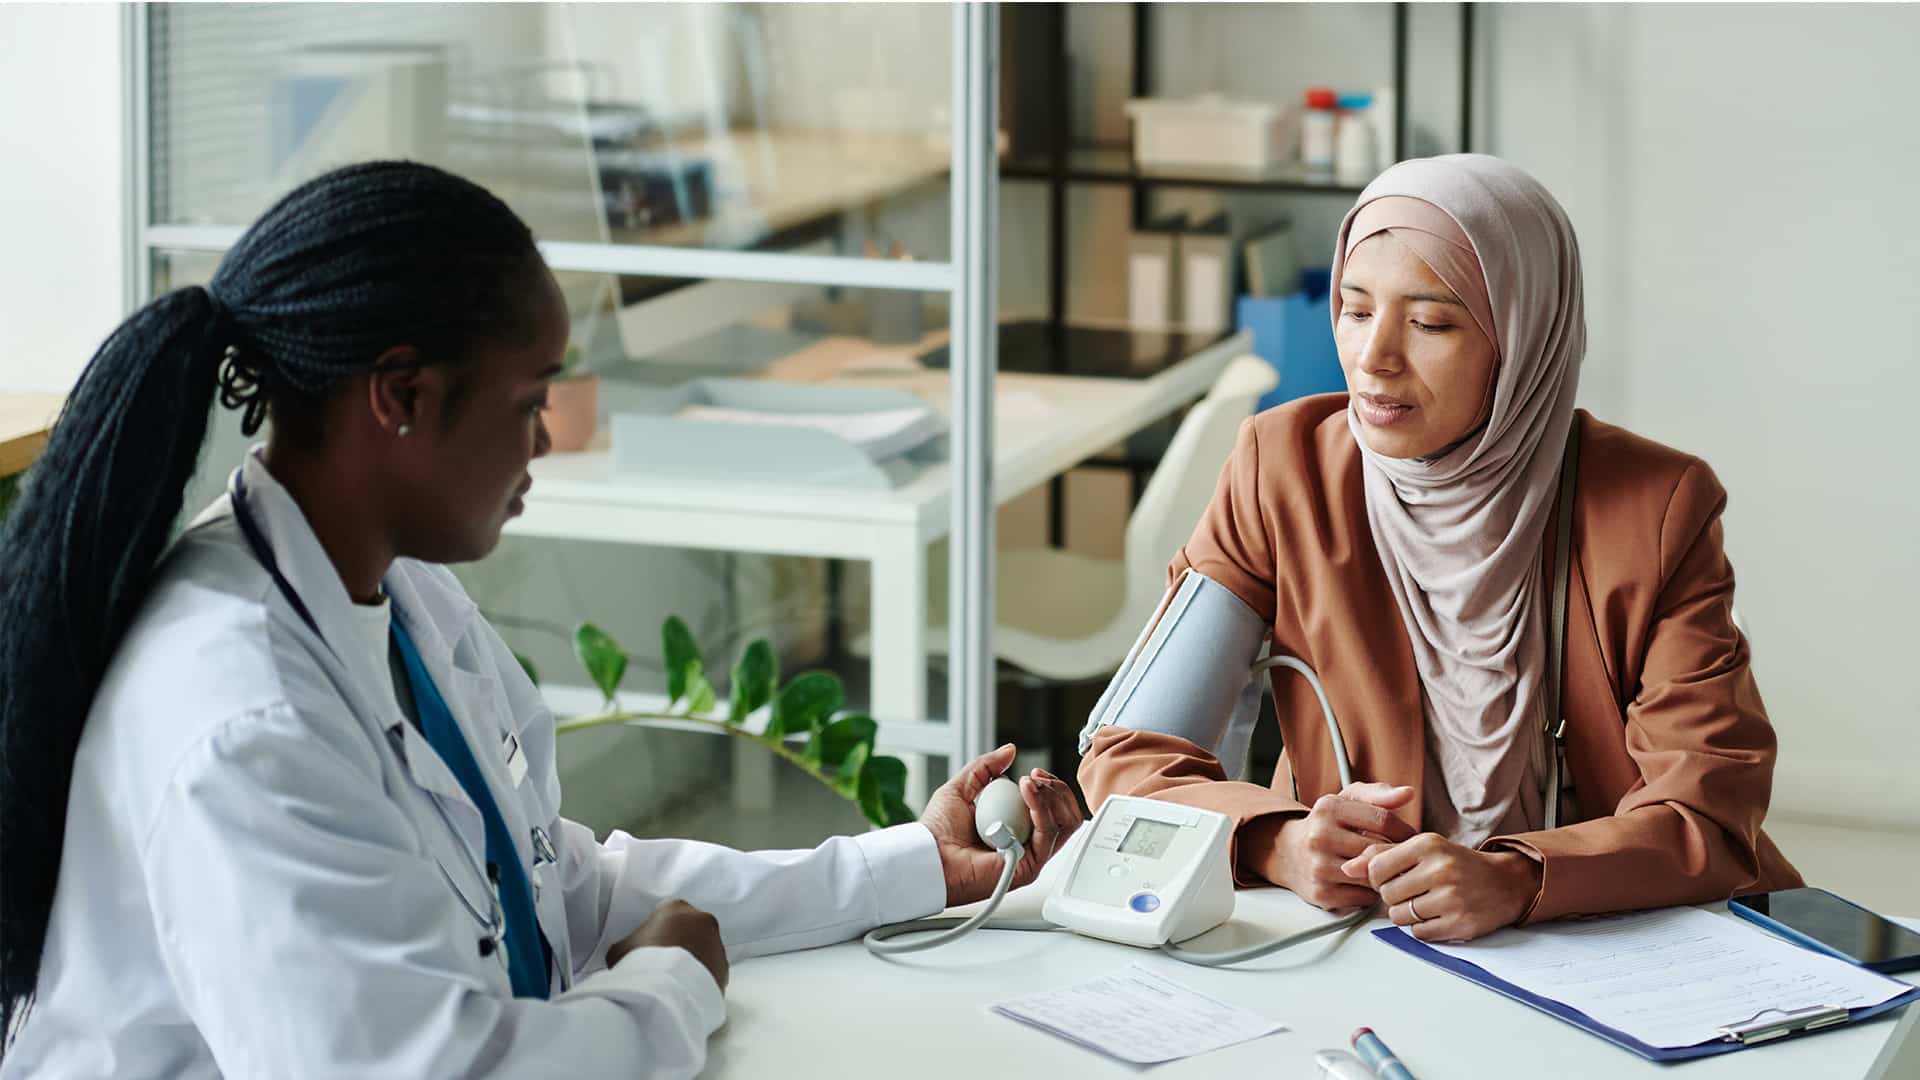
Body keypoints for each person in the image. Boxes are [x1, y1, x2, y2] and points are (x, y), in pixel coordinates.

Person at [0, 161, 1083, 1078]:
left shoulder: (400, 595)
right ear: (402, 397)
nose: (545, 443)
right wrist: (669, 984)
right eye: (530, 403)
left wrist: (912, 867)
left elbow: (555, 883)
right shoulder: (240, 719)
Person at [1079, 154, 1801, 944]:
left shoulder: (1657, 505)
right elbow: (1129, 755)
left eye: (1430, 323)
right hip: (1365, 937)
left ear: (1523, 338)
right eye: (1355, 311)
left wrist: (1521, 876)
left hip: (1610, 940)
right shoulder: (1280, 470)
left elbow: (1708, 809)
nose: (1373, 357)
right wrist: (1277, 842)